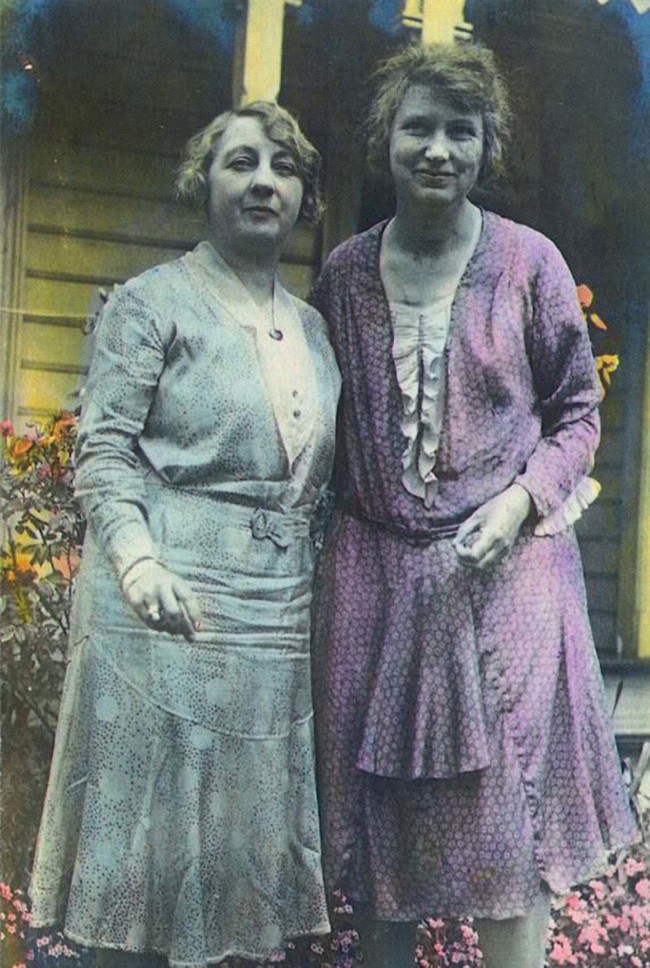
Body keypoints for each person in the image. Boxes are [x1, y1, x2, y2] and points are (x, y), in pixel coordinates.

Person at [310, 43, 638, 968]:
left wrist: (523, 502)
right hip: (377, 582)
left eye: (462, 130)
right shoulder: (341, 275)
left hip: (507, 578)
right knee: (379, 831)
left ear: (487, 146)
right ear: (388, 139)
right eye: (419, 127)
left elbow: (578, 414)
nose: (438, 149)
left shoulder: (529, 265)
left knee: (507, 820)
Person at [29, 101, 341, 968]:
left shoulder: (313, 328)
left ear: (305, 196)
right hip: (162, 610)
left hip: (270, 626)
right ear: (202, 181)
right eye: (240, 163)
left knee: (240, 878)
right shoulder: (151, 303)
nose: (263, 183)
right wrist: (135, 562)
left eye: (283, 169)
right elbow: (103, 451)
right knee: (144, 870)